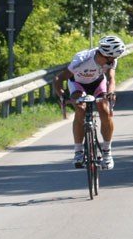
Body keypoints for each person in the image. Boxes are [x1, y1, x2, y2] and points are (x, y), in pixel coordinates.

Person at [53, 35, 124, 170]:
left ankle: (107, 153)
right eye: (113, 58)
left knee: (105, 110)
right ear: (106, 55)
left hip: (98, 83)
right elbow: (58, 79)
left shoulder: (110, 61)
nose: (114, 61)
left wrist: (110, 93)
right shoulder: (81, 60)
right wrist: (62, 97)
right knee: (80, 109)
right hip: (78, 84)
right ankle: (78, 152)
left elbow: (111, 79)